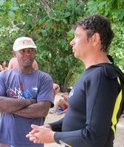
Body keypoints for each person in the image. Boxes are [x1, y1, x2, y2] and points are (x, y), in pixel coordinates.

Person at [26, 14, 124, 147]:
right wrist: (51, 127)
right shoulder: (93, 73)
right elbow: (78, 116)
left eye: (77, 36)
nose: (72, 42)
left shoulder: (102, 76)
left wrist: (53, 137)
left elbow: (94, 137)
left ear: (95, 39)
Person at [0, 36, 54, 147]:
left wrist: (8, 108)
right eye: (23, 51)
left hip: (33, 141)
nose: (27, 54)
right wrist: (29, 102)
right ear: (14, 54)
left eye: (31, 51)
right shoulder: (3, 77)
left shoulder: (44, 79)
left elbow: (42, 110)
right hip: (6, 140)